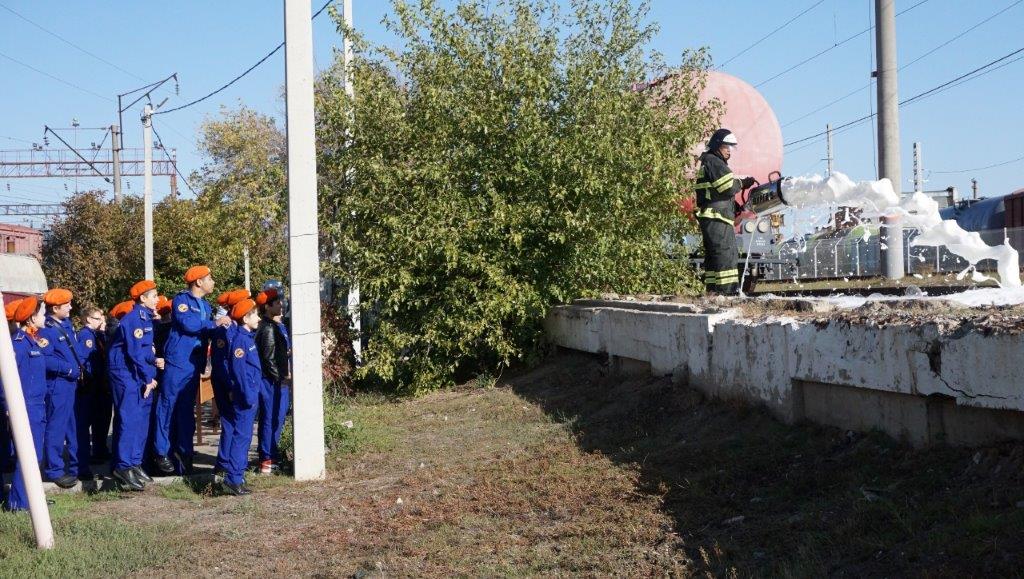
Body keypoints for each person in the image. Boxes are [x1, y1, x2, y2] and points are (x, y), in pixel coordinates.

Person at [154, 265, 229, 475]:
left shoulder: (205, 305)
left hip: (194, 363)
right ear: (198, 282)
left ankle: (184, 456)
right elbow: (189, 325)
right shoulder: (182, 300)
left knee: (186, 411)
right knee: (168, 405)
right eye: (209, 278)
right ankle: (161, 452)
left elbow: (206, 331)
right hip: (178, 361)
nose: (213, 282)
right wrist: (215, 323)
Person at [107, 280, 160, 491]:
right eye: (154, 296)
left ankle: (135, 462)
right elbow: (135, 353)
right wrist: (148, 378)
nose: (157, 299)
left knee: (140, 420)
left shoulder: (146, 318)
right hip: (125, 373)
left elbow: (144, 351)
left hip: (136, 371)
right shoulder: (134, 319)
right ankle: (123, 466)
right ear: (143, 298)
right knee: (129, 419)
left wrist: (154, 363)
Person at [694, 128, 755, 296]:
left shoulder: (709, 161)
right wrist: (743, 183)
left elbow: (717, 193)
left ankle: (713, 293)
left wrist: (735, 207)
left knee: (714, 257)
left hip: (713, 216)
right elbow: (727, 187)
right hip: (717, 218)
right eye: (726, 147)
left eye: (730, 147)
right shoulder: (715, 162)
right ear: (717, 146)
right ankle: (727, 293)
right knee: (725, 254)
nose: (729, 151)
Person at [4, 297, 51, 511]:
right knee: (28, 455)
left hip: (37, 405)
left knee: (35, 455)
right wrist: (8, 406)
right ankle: (18, 503)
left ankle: (31, 498)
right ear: (31, 318)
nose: (45, 317)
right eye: (42, 314)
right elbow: (6, 378)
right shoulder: (19, 344)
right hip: (26, 407)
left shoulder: (33, 340)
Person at [38, 288, 85, 488]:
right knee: (56, 428)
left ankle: (75, 467)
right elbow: (46, 360)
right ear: (55, 308)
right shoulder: (47, 330)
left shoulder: (65, 325)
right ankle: (54, 470)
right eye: (67, 305)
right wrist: (68, 369)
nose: (71, 307)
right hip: (58, 384)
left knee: (72, 427)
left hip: (70, 384)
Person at [210, 288, 250, 479]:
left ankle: (226, 461)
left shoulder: (234, 327)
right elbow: (223, 362)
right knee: (230, 421)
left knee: (232, 422)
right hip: (226, 381)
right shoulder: (225, 329)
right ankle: (224, 463)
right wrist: (231, 387)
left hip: (228, 380)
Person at [225, 298, 262, 496]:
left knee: (245, 437)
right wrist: (248, 395)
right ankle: (233, 478)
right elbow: (239, 372)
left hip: (250, 394)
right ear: (245, 318)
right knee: (241, 437)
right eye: (254, 314)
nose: (258, 318)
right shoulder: (241, 340)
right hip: (245, 396)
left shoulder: (247, 338)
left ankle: (238, 475)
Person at [255, 288, 290, 474]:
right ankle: (267, 458)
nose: (281, 305)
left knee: (276, 418)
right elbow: (269, 359)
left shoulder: (275, 326)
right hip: (271, 382)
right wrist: (280, 379)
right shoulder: (268, 328)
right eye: (277, 303)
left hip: (275, 380)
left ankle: (271, 456)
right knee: (271, 418)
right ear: (267, 307)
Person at [75, 307, 108, 479]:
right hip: (90, 384)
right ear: (88, 319)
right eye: (98, 318)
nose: (101, 321)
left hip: (99, 383)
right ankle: (84, 458)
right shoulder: (86, 335)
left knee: (100, 419)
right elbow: (84, 360)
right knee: (85, 421)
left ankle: (99, 450)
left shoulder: (96, 335)